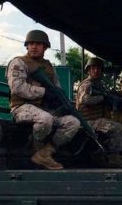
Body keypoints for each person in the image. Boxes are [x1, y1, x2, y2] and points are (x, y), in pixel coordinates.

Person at [7, 29, 81, 170]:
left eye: (38, 44)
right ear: (27, 46)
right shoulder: (19, 62)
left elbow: (56, 89)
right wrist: (43, 92)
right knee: (45, 119)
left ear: (45, 47)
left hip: (44, 109)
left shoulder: (48, 67)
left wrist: (61, 101)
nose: (34, 46)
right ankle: (36, 149)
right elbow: (17, 87)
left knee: (73, 122)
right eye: (31, 44)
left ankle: (45, 153)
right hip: (21, 108)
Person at [75, 57, 122, 168]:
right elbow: (84, 99)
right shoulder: (87, 84)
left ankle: (101, 155)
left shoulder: (99, 85)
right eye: (93, 68)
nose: (96, 70)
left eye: (98, 68)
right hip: (87, 121)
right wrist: (102, 98)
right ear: (88, 70)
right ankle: (113, 158)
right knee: (117, 129)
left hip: (97, 119)